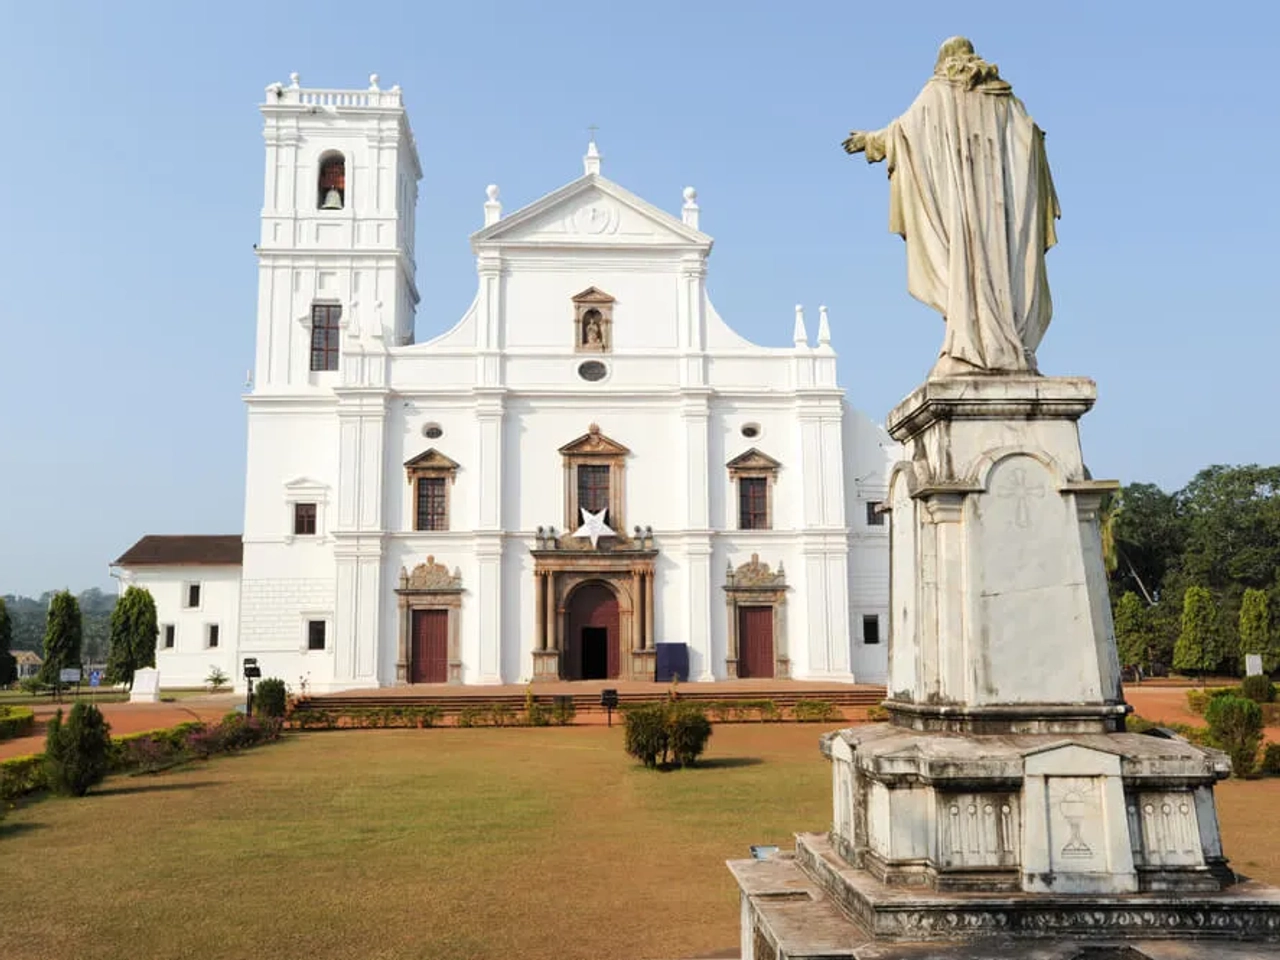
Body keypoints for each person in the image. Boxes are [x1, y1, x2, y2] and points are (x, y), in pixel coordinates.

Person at [844, 37, 1061, 377]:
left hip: (962, 209)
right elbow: (1031, 137)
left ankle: (968, 345)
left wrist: (870, 140)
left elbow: (904, 130)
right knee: (1004, 268)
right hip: (1002, 211)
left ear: (944, 61)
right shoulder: (1008, 101)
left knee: (963, 264)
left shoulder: (938, 91)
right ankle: (1010, 342)